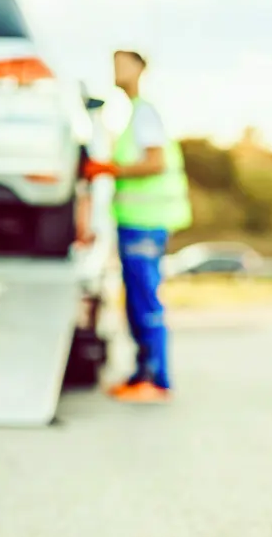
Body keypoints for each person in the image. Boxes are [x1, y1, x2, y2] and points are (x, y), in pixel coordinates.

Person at [81, 50, 192, 403]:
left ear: (140, 68)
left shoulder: (144, 113)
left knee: (144, 299)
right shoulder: (134, 115)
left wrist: (109, 169)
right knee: (135, 298)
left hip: (146, 222)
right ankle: (143, 373)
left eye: (122, 64)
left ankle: (155, 379)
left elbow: (155, 163)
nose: (116, 70)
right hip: (135, 222)